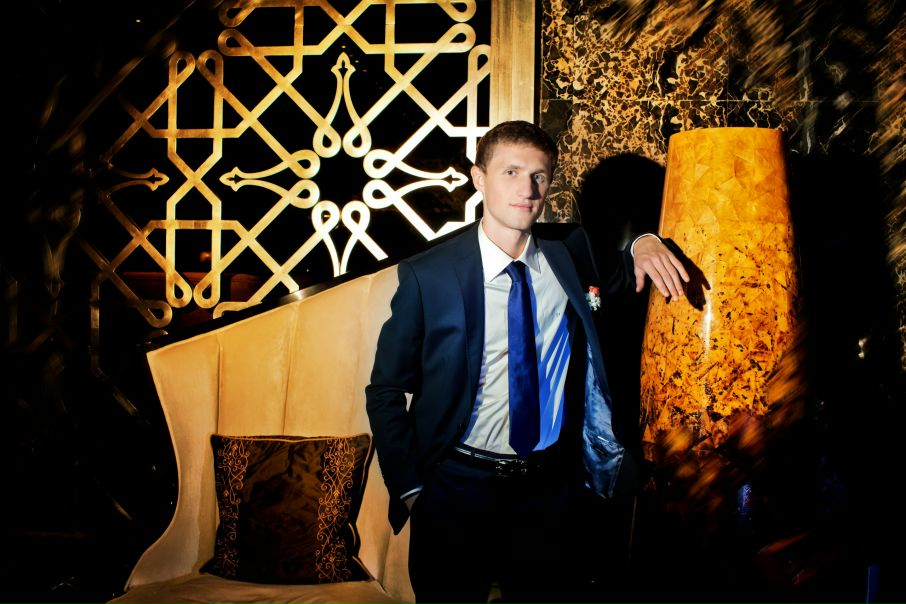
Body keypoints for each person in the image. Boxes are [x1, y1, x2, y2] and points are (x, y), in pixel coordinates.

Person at [365, 120, 688, 603]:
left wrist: (645, 240)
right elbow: (386, 390)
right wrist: (411, 488)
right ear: (479, 178)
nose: (527, 189)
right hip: (456, 487)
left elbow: (628, 271)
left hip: (549, 491)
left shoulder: (571, 254)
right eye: (511, 172)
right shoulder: (428, 275)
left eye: (539, 175)